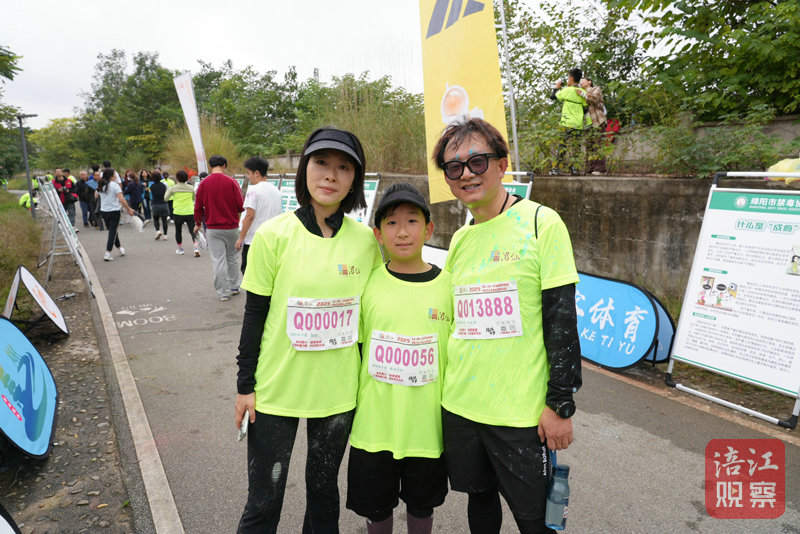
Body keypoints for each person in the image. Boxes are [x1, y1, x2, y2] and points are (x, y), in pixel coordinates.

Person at [432, 118, 582, 533]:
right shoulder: (461, 239)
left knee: (535, 521)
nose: (466, 174)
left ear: (501, 165)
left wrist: (560, 404)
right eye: (454, 167)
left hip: (520, 414)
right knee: (479, 501)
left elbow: (561, 319)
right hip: (461, 405)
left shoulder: (541, 223)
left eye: (477, 161)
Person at [234, 127, 382, 533]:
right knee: (264, 501)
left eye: (344, 167)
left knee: (323, 494)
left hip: (338, 393)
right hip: (276, 390)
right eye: (321, 163)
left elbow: (371, 318)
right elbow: (254, 316)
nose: (331, 175)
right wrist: (245, 386)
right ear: (304, 169)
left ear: (355, 179)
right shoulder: (272, 236)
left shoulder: (365, 242)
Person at [346, 182, 451, 534]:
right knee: (376, 510)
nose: (402, 232)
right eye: (391, 223)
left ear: (429, 229)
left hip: (427, 429)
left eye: (412, 221)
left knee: (422, 506)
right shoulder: (366, 284)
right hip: (374, 427)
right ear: (378, 234)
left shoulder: (449, 287)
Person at [193, 155, 244, 301]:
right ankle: (235, 286)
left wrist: (198, 223)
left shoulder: (203, 184)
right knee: (232, 257)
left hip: (212, 227)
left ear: (210, 166)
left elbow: (198, 207)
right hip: (232, 227)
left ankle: (223, 292)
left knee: (218, 260)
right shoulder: (232, 181)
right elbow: (241, 205)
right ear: (224, 165)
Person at [235, 156, 282, 274]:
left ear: (256, 173)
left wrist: (241, 238)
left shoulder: (253, 190)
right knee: (266, 272)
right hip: (271, 240)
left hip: (253, 240)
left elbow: (250, 216)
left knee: (248, 272)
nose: (248, 176)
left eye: (248, 173)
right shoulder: (277, 191)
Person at [550, 67, 587, 175]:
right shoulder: (582, 92)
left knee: (562, 146)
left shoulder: (567, 90)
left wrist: (556, 87)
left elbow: (553, 97)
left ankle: (556, 168)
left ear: (571, 78)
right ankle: (574, 169)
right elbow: (585, 109)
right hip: (578, 124)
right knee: (576, 147)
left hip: (566, 123)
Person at [95, 168, 135, 261]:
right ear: (111, 175)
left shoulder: (101, 184)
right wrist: (128, 209)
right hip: (114, 211)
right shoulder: (114, 185)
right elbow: (121, 199)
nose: (116, 175)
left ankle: (120, 248)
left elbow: (96, 195)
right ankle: (108, 252)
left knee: (112, 230)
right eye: (114, 174)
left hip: (104, 211)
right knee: (112, 231)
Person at [165, 169, 200, 256]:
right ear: (187, 178)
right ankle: (196, 248)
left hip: (178, 212)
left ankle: (180, 249)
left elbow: (166, 198)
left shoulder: (173, 188)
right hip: (190, 212)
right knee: (193, 230)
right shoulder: (191, 188)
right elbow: (194, 198)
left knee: (178, 230)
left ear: (177, 178)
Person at [579, 77, 607, 175]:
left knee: (599, 145)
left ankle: (600, 169)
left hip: (598, 121)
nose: (581, 82)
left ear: (589, 82)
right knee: (589, 147)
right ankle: (589, 169)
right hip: (587, 123)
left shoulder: (596, 89)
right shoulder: (579, 92)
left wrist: (583, 94)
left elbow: (594, 99)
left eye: (583, 80)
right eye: (580, 81)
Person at [149, 171, 170, 241]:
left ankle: (158, 231)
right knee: (164, 220)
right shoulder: (164, 185)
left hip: (155, 204)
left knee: (156, 219)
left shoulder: (151, 186)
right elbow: (167, 192)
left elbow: (150, 193)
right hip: (164, 203)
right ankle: (165, 235)